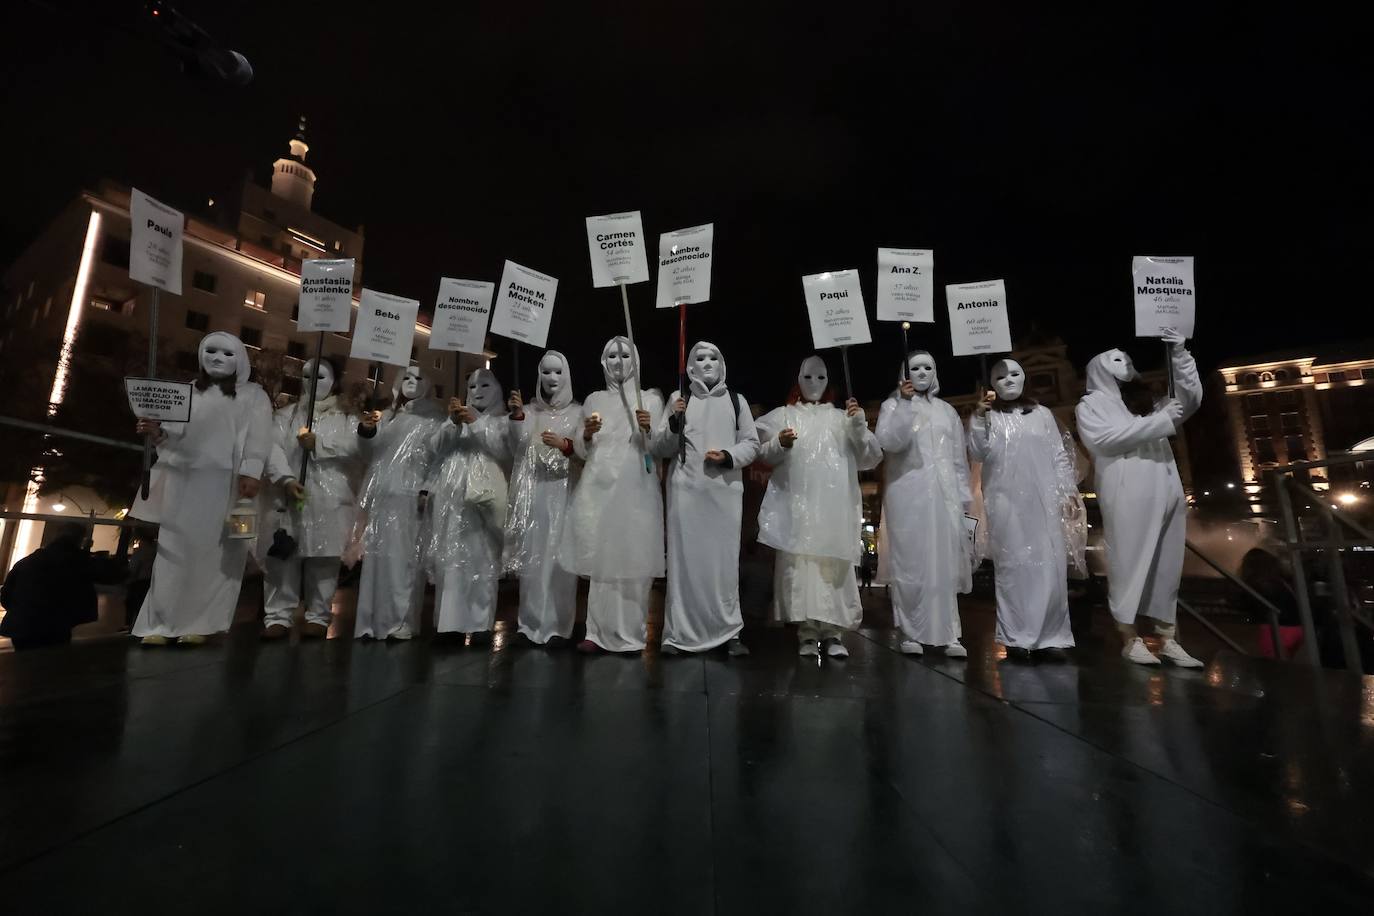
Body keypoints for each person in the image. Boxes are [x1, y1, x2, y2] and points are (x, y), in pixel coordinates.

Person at [129, 331, 273, 645]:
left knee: (218, 554)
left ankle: (201, 622)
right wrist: (155, 432)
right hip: (183, 481)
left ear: (240, 359)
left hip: (227, 486)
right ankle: (161, 622)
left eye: (227, 353)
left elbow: (259, 438)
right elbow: (172, 440)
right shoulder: (187, 392)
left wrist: (251, 472)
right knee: (173, 553)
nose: (218, 358)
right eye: (211, 351)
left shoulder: (253, 396)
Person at [1075, 330, 1204, 667]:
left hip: (1166, 488)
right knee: (1129, 563)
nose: (1126, 363)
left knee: (1167, 564)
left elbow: (1190, 399)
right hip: (1126, 492)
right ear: (1098, 369)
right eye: (1117, 359)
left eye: (1128, 359)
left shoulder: (1145, 403)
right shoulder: (1091, 405)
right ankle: (1128, 636)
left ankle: (1168, 637)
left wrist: (1179, 352)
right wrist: (1161, 421)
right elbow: (1104, 440)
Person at [756, 355, 882, 659]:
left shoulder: (841, 417)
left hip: (833, 510)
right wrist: (779, 445)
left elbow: (870, 456)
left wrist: (859, 427)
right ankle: (807, 632)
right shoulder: (783, 416)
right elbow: (762, 450)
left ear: (830, 382)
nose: (814, 384)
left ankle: (834, 631)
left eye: (821, 377)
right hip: (799, 511)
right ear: (797, 379)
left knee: (832, 569)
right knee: (804, 571)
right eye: (808, 377)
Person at [968, 358, 1084, 661]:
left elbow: (1059, 454)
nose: (1008, 380)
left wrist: (1067, 490)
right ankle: (1016, 636)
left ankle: (1051, 635)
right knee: (1012, 568)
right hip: (1005, 502)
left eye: (1014, 374)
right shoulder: (987, 417)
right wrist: (979, 418)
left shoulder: (1042, 415)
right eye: (1000, 376)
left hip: (1043, 501)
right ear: (991, 383)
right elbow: (978, 451)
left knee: (1050, 566)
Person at [652, 341, 760, 656]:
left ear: (723, 363)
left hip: (724, 496)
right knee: (684, 565)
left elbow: (751, 443)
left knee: (723, 565)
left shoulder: (736, 401)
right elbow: (660, 448)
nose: (708, 362)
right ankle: (677, 633)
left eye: (714, 357)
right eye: (700, 358)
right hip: (686, 495)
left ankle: (728, 632)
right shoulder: (678, 399)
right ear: (690, 366)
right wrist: (674, 423)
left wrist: (728, 455)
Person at [560, 336, 665, 654]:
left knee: (633, 558)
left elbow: (659, 446)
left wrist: (649, 428)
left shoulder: (649, 399)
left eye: (625, 355)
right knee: (600, 560)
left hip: (635, 489)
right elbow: (581, 445)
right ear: (604, 362)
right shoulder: (593, 399)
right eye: (612, 356)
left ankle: (631, 633)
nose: (619, 361)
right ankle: (596, 631)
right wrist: (587, 435)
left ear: (635, 360)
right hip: (600, 489)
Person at [875, 351, 973, 658]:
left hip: (944, 497)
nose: (921, 372)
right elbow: (889, 442)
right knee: (911, 562)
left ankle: (950, 632)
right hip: (908, 494)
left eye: (927, 367)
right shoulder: (891, 405)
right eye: (914, 367)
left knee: (945, 562)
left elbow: (958, 458)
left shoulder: (947, 411)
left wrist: (962, 497)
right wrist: (904, 405)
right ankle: (910, 630)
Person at [260, 357, 361, 639]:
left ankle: (318, 614)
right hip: (291, 495)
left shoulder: (347, 418)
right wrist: (286, 478)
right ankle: (278, 616)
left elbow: (358, 448)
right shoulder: (286, 416)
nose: (312, 383)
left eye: (320, 376)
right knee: (283, 556)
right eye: (306, 376)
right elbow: (272, 447)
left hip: (330, 498)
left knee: (324, 558)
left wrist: (321, 444)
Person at [352, 363, 446, 640]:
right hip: (382, 498)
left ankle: (399, 622)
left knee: (404, 562)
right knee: (376, 561)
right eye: (407, 377)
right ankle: (370, 622)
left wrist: (427, 488)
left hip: (409, 500)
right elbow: (370, 453)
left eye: (419, 377)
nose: (412, 382)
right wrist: (367, 432)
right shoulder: (387, 417)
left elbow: (438, 459)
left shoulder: (433, 420)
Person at [426, 368, 511, 641]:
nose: (477, 391)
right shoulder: (455, 420)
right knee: (451, 563)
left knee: (482, 561)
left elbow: (502, 450)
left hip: (484, 501)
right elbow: (435, 448)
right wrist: (452, 423)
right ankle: (448, 624)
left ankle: (479, 623)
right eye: (472, 386)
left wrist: (476, 423)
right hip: (452, 502)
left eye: (485, 385)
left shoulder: (502, 422)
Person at [504, 350, 582, 646]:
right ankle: (530, 624)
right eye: (546, 372)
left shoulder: (578, 412)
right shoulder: (530, 411)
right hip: (535, 492)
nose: (552, 378)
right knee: (534, 559)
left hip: (564, 492)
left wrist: (565, 445)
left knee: (561, 561)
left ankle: (559, 626)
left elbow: (586, 451)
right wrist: (516, 417)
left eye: (557, 372)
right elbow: (516, 444)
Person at [0, 523, 97, 650]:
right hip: (55, 626)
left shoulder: (28, 561)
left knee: (24, 661)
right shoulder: (77, 563)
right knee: (51, 662)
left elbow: (6, 594)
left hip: (22, 625)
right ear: (80, 540)